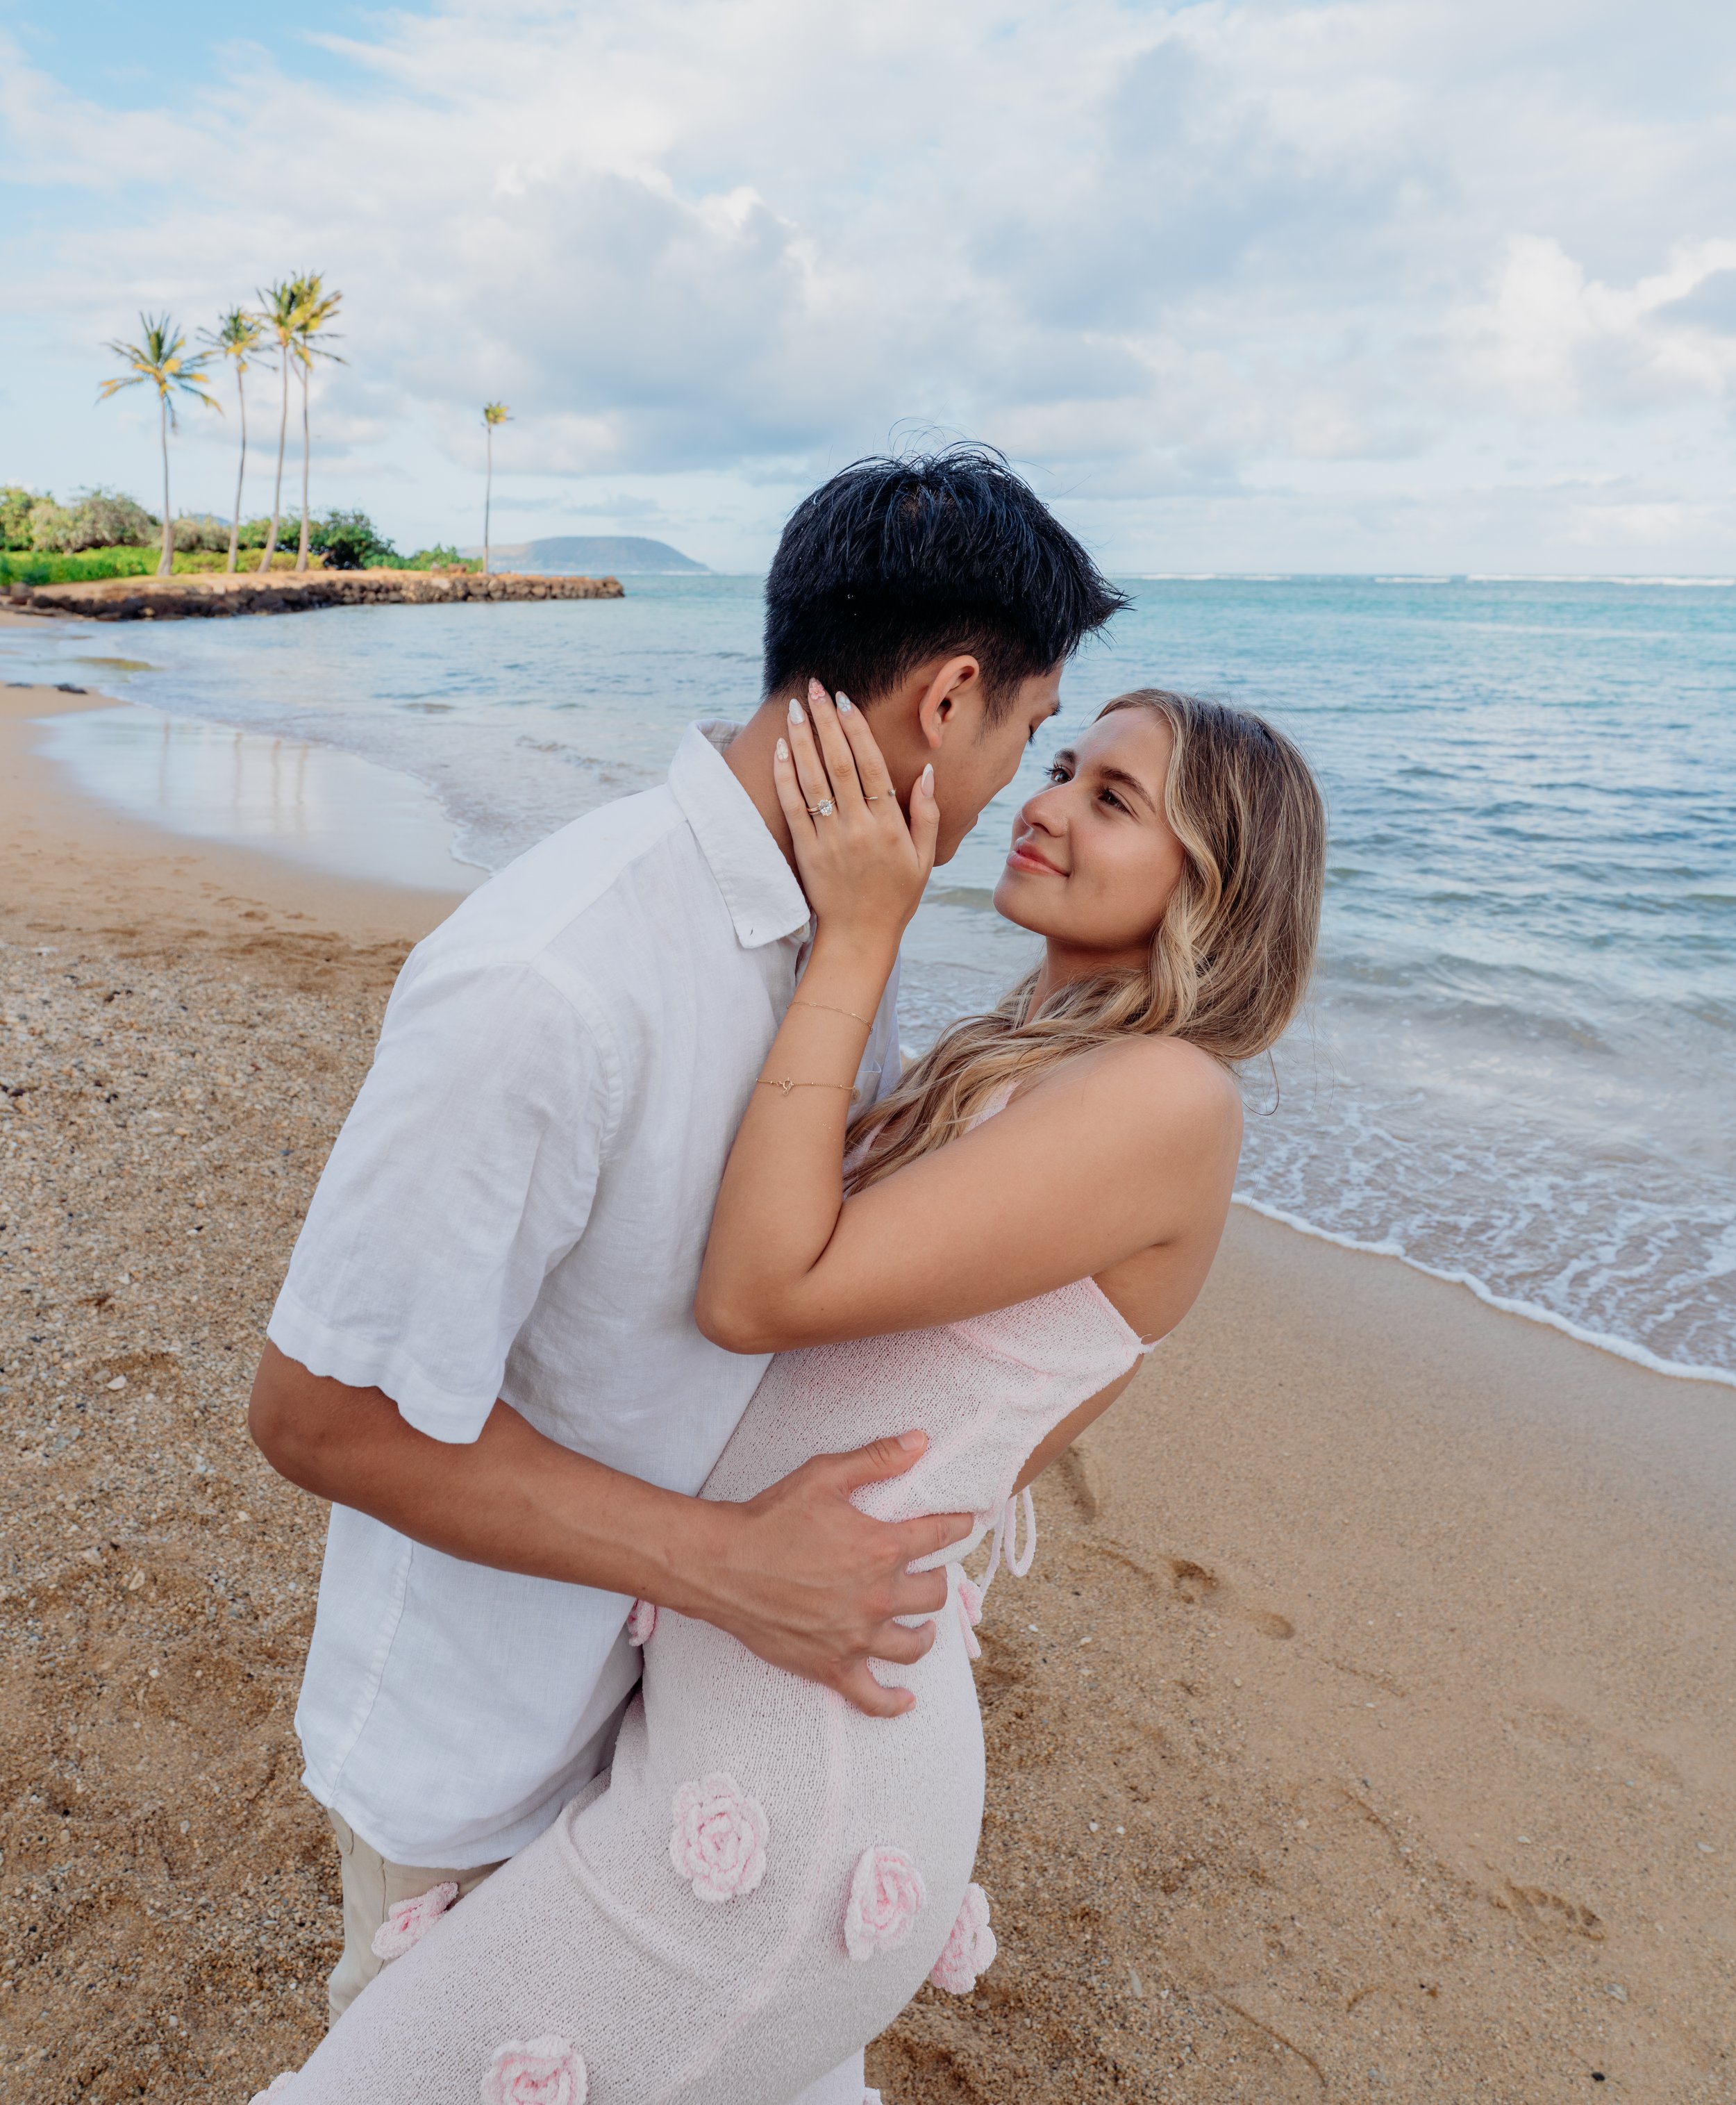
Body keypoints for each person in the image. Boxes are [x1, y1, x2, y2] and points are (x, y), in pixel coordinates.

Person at [256, 681, 1326, 2103]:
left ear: (1219, 882)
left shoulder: (1167, 1101)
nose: (1047, 802)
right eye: (1059, 760)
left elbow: (758, 1293)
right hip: (744, 1699)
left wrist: (861, 932)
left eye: (1112, 797)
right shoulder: (1033, 1064)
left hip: (801, 1762)